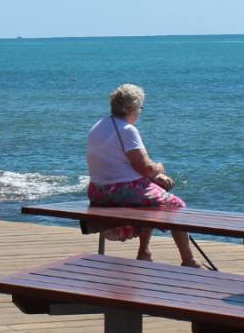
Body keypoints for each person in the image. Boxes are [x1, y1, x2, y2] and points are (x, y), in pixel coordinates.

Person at [85, 84, 199, 266]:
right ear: (131, 108)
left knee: (152, 193)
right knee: (177, 206)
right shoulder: (127, 130)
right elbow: (146, 167)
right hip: (121, 192)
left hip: (98, 191)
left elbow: (125, 166)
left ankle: (144, 251)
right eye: (140, 108)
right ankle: (188, 259)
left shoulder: (99, 126)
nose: (140, 112)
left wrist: (153, 178)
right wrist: (159, 169)